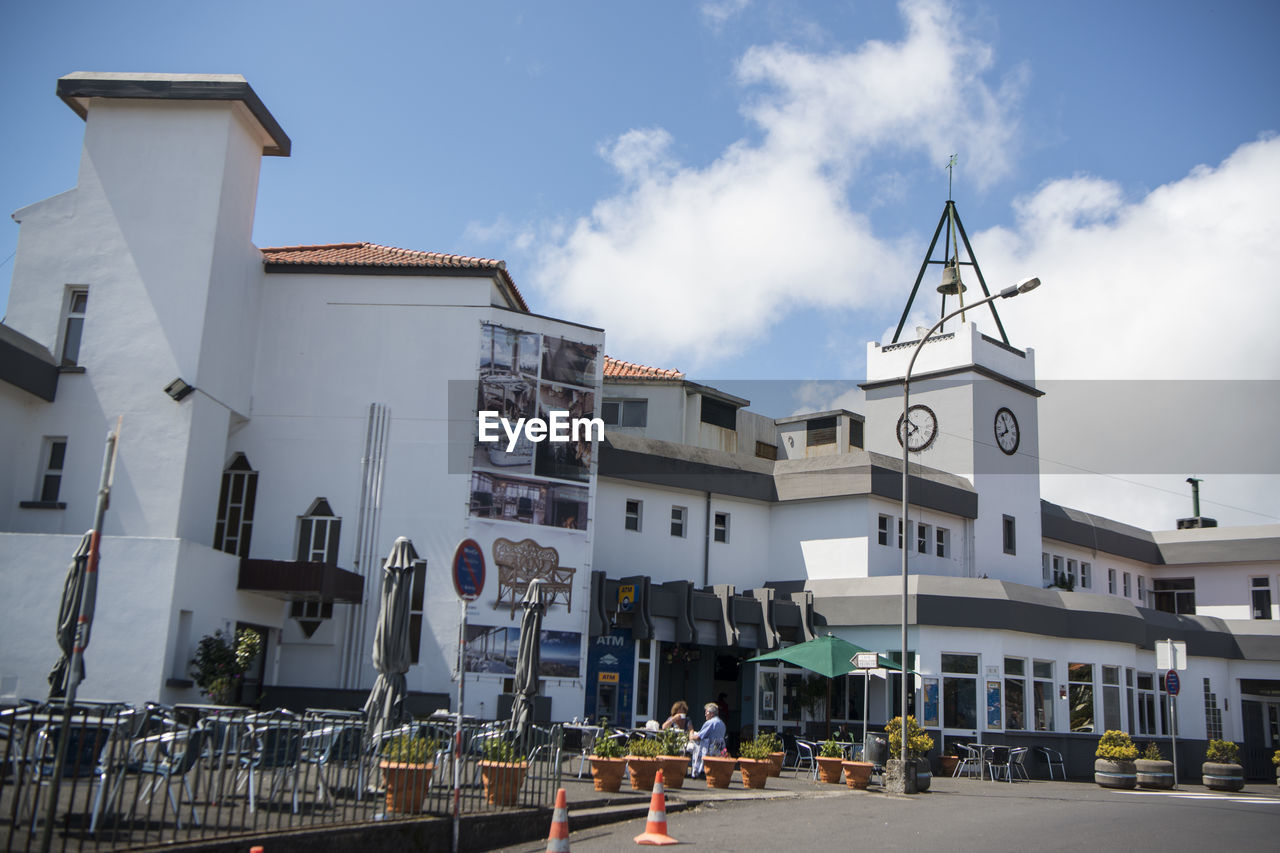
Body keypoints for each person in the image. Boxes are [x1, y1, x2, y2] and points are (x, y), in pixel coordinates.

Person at [688, 701, 726, 777]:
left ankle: (697, 771)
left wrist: (691, 736)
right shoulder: (721, 723)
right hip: (719, 749)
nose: (705, 714)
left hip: (709, 749)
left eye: (706, 712)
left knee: (691, 746)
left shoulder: (710, 723)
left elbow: (699, 737)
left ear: (711, 713)